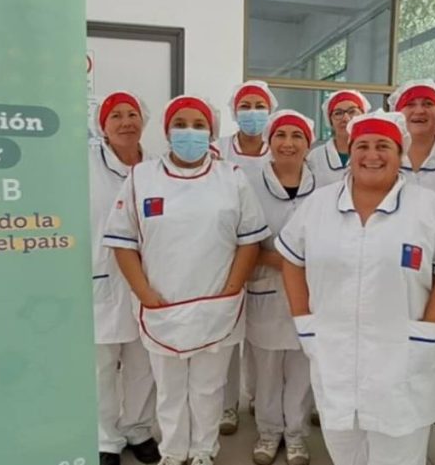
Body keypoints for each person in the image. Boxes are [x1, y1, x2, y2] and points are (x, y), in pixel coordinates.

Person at [276, 111, 435, 465]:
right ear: (350, 152)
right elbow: (292, 260)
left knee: (399, 455)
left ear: (400, 154)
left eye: (383, 146)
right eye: (363, 146)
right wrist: (304, 322)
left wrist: (430, 331)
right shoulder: (319, 205)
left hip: (403, 358)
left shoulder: (426, 207)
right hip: (334, 354)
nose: (372, 155)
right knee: (345, 452)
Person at [103, 95, 270, 465]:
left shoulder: (231, 177)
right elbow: (123, 242)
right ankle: (174, 451)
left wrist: (232, 288)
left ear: (210, 132)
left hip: (217, 302)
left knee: (209, 387)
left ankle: (203, 451)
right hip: (162, 303)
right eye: (180, 125)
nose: (189, 132)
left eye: (198, 125)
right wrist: (144, 292)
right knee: (170, 388)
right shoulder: (141, 177)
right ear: (167, 131)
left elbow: (249, 240)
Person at [89, 92, 159, 465]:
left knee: (143, 361)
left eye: (132, 114)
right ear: (102, 125)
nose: (126, 122)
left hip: (150, 278)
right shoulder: (85, 165)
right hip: (103, 276)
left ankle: (139, 429)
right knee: (102, 363)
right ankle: (106, 438)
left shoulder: (157, 167)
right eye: (115, 115)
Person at [246, 110, 316, 465]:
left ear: (309, 144)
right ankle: (269, 432)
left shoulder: (326, 188)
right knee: (267, 371)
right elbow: (241, 243)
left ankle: (296, 435)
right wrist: (286, 262)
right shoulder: (249, 185)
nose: (288, 143)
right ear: (269, 141)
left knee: (303, 370)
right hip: (266, 288)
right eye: (281, 135)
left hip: (310, 294)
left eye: (297, 136)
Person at [215, 80, 279, 433]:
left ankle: (257, 397)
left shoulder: (279, 146)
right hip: (226, 254)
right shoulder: (219, 149)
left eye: (259, 106)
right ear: (234, 111)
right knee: (227, 336)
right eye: (246, 106)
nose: (252, 112)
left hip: (268, 253)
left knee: (262, 335)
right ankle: (227, 406)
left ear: (270, 110)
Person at [388, 80, 435, 218]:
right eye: (410, 104)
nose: (419, 111)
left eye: (428, 104)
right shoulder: (382, 159)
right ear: (397, 115)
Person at [307, 89, 371, 187]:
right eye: (338, 113)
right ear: (330, 121)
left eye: (352, 111)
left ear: (363, 116)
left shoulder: (372, 154)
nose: (345, 118)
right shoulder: (315, 157)